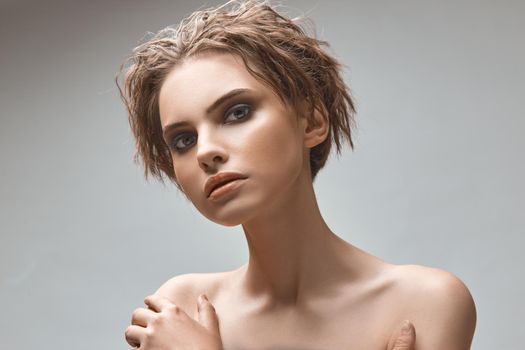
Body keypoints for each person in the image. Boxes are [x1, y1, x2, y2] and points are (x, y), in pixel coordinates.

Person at [116, 0, 477, 349]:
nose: (205, 151)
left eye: (237, 112)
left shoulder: (423, 304)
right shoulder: (182, 306)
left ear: (313, 121)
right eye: (183, 140)